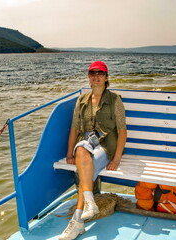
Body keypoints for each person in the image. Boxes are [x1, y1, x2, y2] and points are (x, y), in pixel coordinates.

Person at [59, 61, 127, 240]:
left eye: (100, 73)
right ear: (89, 77)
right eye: (92, 73)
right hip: (86, 144)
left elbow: (122, 131)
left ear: (106, 77)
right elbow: (74, 128)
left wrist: (116, 159)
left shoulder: (115, 99)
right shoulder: (81, 100)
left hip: (106, 145)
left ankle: (76, 221)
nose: (96, 77)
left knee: (84, 172)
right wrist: (68, 153)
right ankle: (90, 204)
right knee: (80, 150)